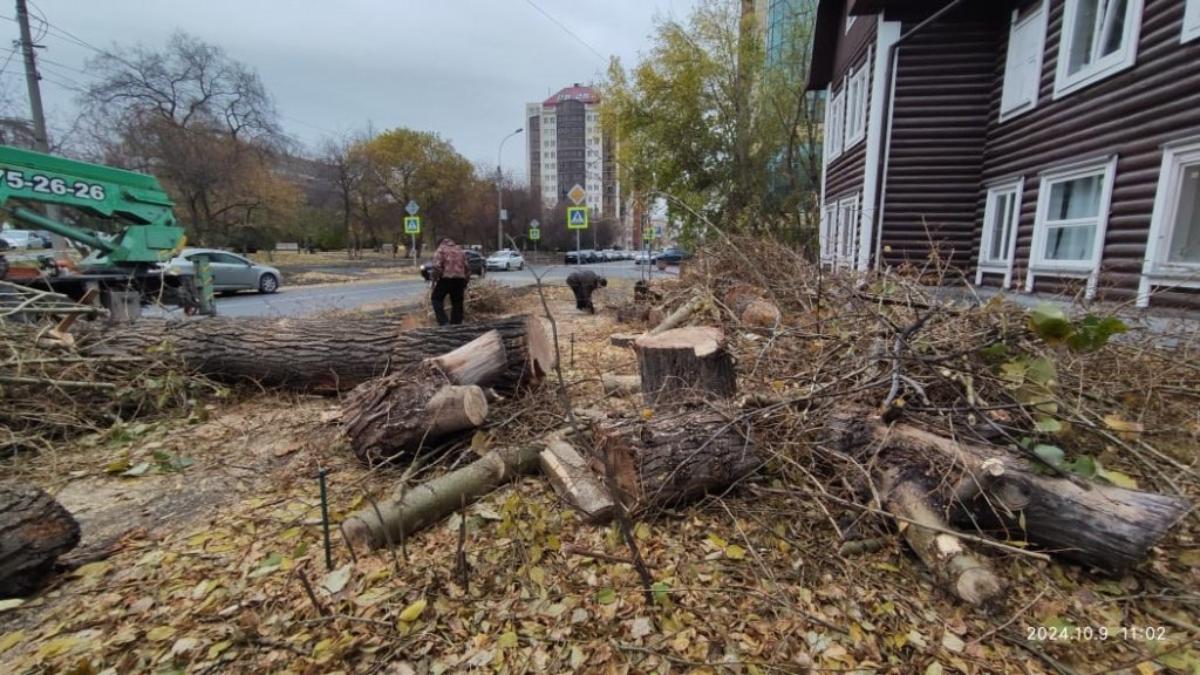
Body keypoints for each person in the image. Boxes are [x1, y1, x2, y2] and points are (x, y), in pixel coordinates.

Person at [430, 237, 470, 325]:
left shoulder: (441, 250)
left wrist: (436, 278)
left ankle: (444, 322)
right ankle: (456, 324)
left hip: (446, 279)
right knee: (457, 303)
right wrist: (465, 281)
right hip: (460, 279)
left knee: (436, 298)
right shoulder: (460, 250)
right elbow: (467, 267)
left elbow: (436, 266)